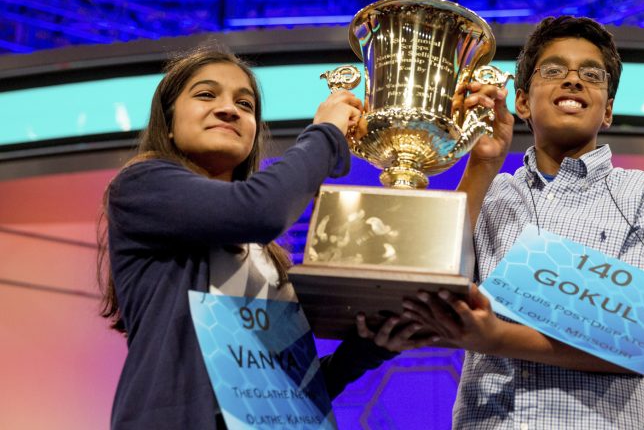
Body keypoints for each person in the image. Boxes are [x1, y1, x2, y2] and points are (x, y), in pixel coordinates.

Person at [96, 47, 432, 430]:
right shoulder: (142, 185)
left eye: (245, 103)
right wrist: (325, 134)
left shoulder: (266, 258)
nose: (229, 109)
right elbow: (259, 210)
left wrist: (367, 349)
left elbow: (283, 390)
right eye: (206, 94)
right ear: (169, 121)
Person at [401, 16, 644, 429]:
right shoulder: (492, 195)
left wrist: (497, 338)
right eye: (554, 70)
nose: (573, 81)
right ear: (522, 102)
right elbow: (425, 279)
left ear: (607, 109)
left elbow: (642, 340)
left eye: (591, 75)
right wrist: (483, 163)